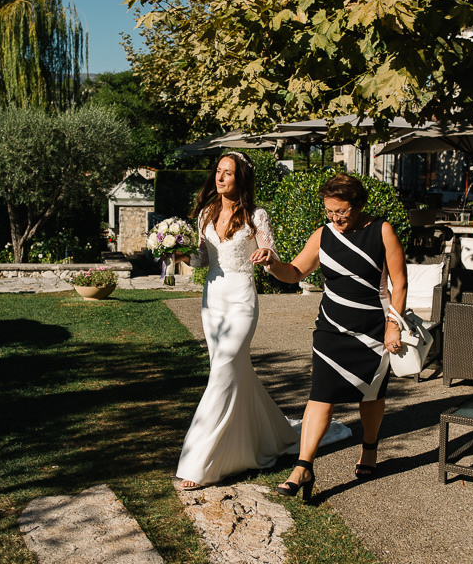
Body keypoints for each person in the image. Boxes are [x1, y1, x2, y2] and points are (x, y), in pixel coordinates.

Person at [255, 172, 408, 500]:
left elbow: (400, 282)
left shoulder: (382, 231)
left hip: (372, 331)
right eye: (330, 212)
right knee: (320, 394)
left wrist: (393, 324)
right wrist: (272, 263)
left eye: (342, 211)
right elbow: (294, 272)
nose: (336, 218)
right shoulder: (323, 235)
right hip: (330, 329)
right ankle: (303, 466)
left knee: (371, 395)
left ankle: (369, 449)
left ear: (359, 204)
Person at [172, 151, 299, 489]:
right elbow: (201, 259)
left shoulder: (257, 215)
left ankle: (200, 462)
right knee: (229, 372)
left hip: (242, 297)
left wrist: (267, 256)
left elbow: (273, 255)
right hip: (212, 299)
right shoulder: (205, 214)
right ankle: (253, 444)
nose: (221, 177)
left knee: (226, 365)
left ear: (240, 178)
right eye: (218, 171)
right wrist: (182, 254)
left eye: (228, 173)